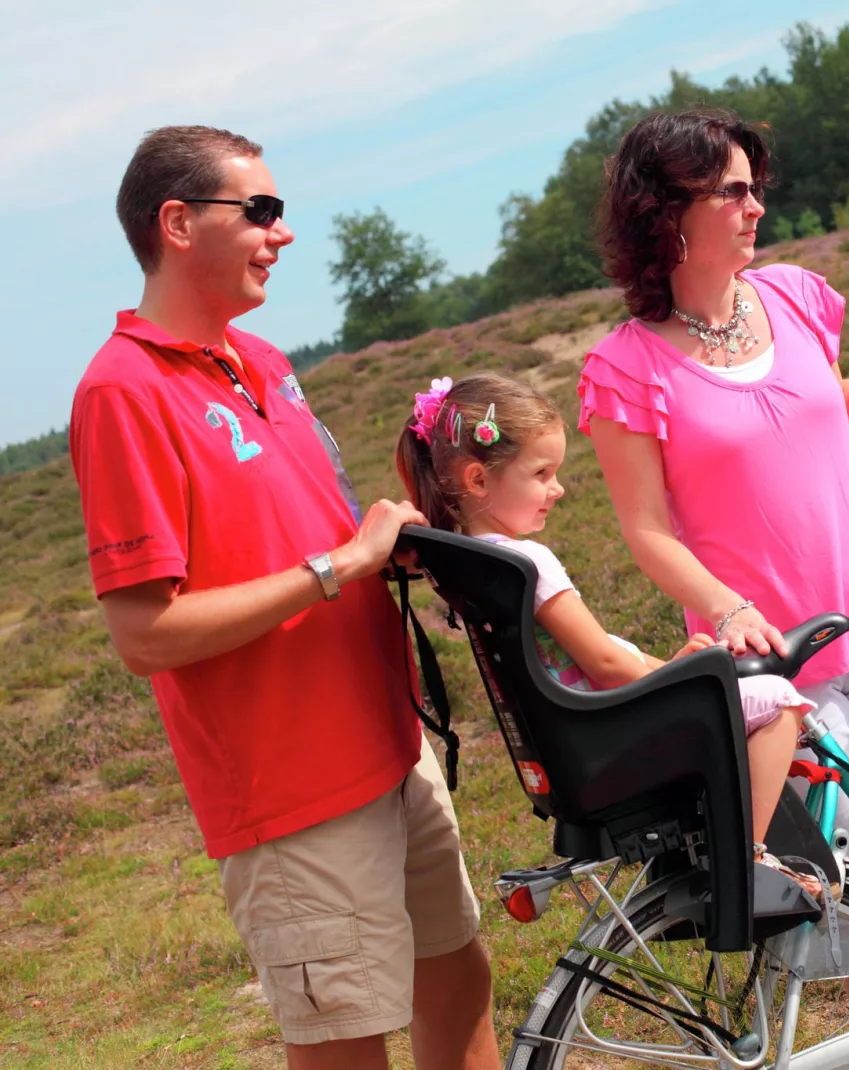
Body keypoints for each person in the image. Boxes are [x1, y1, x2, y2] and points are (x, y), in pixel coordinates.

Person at [69, 126, 498, 1070]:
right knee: (345, 1043)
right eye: (259, 210)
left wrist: (403, 551)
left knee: (460, 979)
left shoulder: (260, 361)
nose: (283, 231)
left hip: (391, 747)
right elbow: (145, 634)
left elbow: (313, 537)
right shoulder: (123, 392)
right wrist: (338, 569)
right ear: (177, 224)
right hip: (292, 790)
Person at [579, 108, 849, 963]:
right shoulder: (625, 367)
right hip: (774, 670)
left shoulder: (794, 296)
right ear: (667, 212)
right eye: (732, 190)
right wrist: (725, 607)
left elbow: (822, 406)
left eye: (755, 187)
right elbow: (646, 530)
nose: (755, 207)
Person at [394, 372, 829, 895]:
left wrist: (667, 671)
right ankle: (749, 860)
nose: (557, 488)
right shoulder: (528, 561)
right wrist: (675, 678)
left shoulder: (472, 561)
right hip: (615, 729)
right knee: (779, 703)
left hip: (582, 737)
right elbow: (601, 662)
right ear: (478, 480)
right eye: (541, 472)